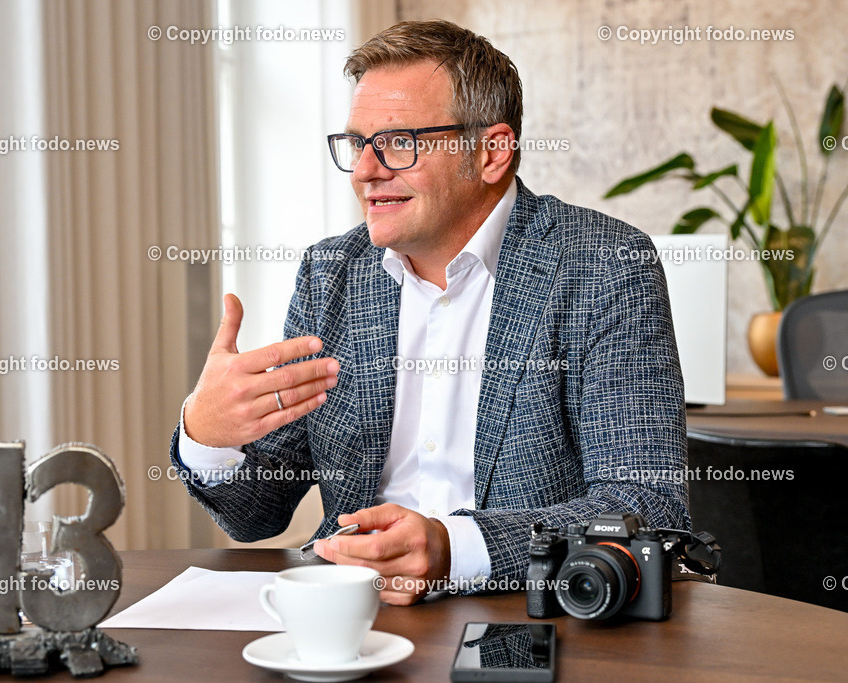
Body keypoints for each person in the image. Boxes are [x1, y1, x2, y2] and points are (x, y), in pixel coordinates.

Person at [170, 19, 689, 606]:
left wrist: (453, 549)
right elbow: (257, 516)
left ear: (492, 153)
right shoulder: (330, 273)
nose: (365, 170)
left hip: (525, 620)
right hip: (351, 614)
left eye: (398, 142)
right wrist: (207, 436)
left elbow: (648, 508)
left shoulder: (603, 266)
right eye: (356, 144)